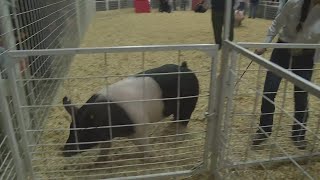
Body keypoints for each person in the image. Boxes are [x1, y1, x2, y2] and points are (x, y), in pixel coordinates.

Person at [252, 0, 320, 150]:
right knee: (269, 90)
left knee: (301, 95)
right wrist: (265, 44)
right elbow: (277, 23)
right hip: (282, 49)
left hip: (306, 55)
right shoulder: (293, 3)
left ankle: (298, 134)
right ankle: (264, 129)